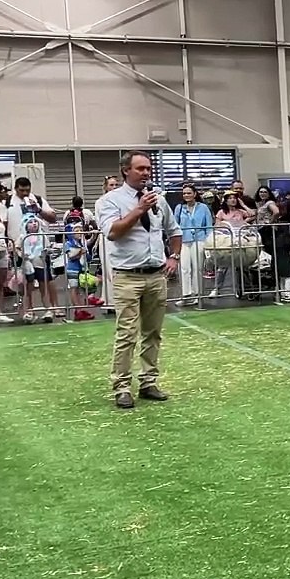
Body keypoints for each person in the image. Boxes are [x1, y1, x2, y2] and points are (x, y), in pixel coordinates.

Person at [95, 150, 182, 410]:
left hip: (156, 275)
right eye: (140, 168)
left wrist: (174, 256)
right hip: (127, 277)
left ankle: (148, 382)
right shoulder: (109, 201)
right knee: (126, 334)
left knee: (153, 333)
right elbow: (113, 232)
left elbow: (174, 231)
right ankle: (122, 387)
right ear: (126, 171)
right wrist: (139, 209)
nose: (146, 173)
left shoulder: (159, 200)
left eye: (148, 168)